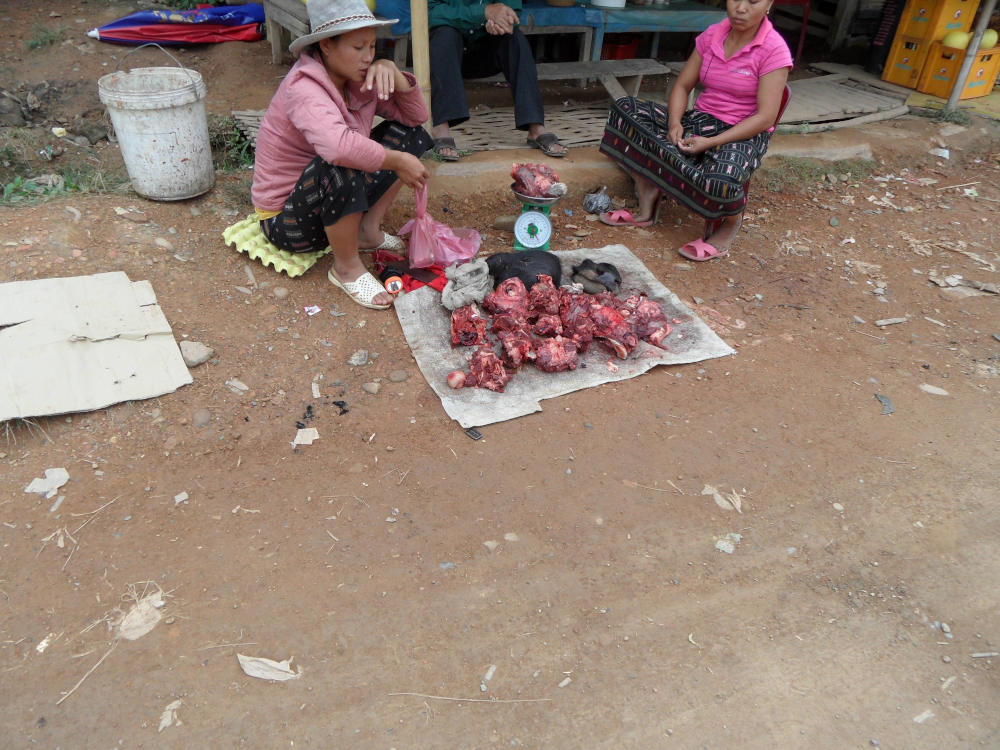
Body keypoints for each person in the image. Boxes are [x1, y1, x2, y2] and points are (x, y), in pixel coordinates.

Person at [251, 0, 432, 309]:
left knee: (411, 138)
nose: (368, 57)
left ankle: (366, 232)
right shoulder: (304, 87)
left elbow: (414, 119)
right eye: (358, 47)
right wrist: (397, 161)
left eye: (373, 47)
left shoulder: (358, 79)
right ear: (326, 45)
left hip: (326, 200)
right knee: (341, 163)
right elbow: (338, 148)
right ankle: (346, 268)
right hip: (287, 222)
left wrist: (395, 75)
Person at [598, 0, 792, 262]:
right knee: (624, 109)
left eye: (753, 1)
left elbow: (765, 116)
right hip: (699, 121)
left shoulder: (774, 49)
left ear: (769, 3)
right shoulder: (713, 34)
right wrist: (675, 124)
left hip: (743, 133)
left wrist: (711, 142)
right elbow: (682, 86)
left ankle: (731, 220)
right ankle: (649, 190)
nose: (740, 8)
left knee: (720, 182)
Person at [427, 0, 566, 161]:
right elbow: (431, 14)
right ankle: (440, 128)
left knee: (515, 38)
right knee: (445, 34)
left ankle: (535, 126)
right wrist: (482, 13)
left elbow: (511, 11)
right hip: (447, 55)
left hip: (484, 52)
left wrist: (498, 24)